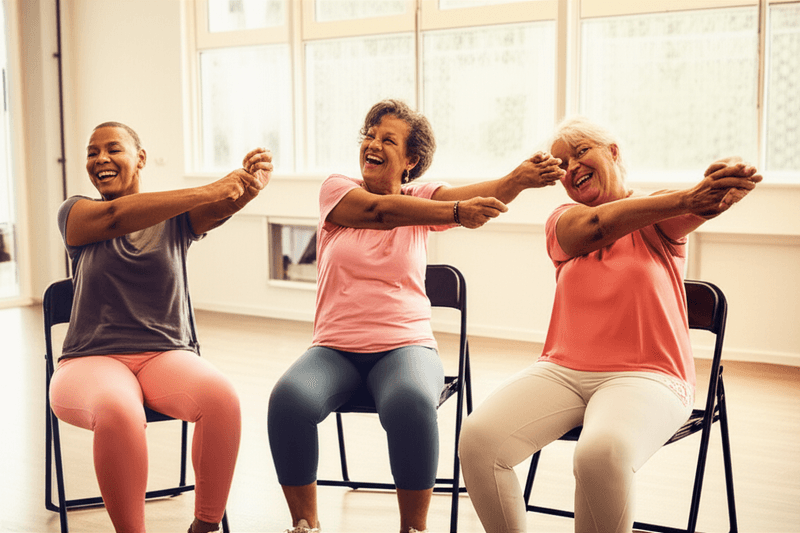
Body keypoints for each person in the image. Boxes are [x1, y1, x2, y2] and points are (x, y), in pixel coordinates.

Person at [263, 99, 564, 533]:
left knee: (411, 404)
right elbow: (380, 213)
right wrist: (457, 214)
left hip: (405, 346)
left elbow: (478, 195)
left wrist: (518, 179)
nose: (373, 143)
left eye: (388, 139)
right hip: (334, 348)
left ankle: (414, 529)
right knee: (288, 402)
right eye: (370, 134)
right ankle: (305, 523)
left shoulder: (421, 198)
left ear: (411, 161)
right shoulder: (337, 191)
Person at [458, 116, 762, 533]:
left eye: (582, 152)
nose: (572, 167)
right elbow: (600, 226)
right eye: (562, 163)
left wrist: (727, 172)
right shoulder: (563, 220)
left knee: (600, 454)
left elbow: (706, 196)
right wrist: (689, 198)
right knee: (478, 440)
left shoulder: (659, 216)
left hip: (649, 376)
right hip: (562, 371)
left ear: (613, 152)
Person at [48, 121, 273, 533]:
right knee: (118, 412)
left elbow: (222, 206)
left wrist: (247, 187)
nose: (100, 159)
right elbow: (116, 217)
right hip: (89, 359)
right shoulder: (77, 213)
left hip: (164, 355)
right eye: (92, 152)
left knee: (222, 398)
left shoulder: (176, 221)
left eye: (113, 149)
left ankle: (205, 526)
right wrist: (212, 188)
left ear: (141, 158)